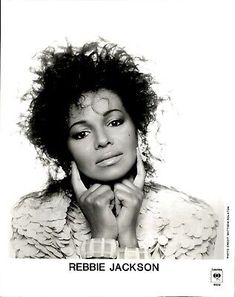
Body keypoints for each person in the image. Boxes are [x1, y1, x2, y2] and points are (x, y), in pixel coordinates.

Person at [11, 41, 218, 259]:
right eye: (81, 133)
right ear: (64, 148)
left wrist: (128, 235)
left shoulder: (191, 220)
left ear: (136, 127)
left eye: (115, 122)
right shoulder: (33, 220)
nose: (102, 141)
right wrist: (103, 235)